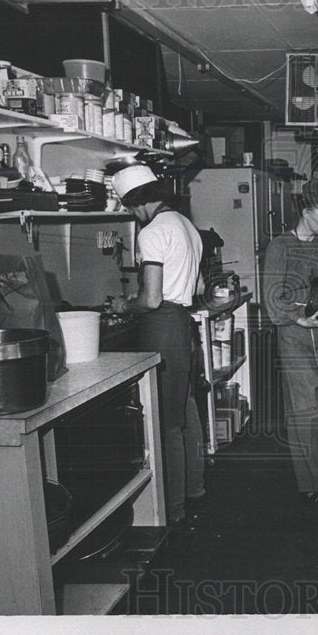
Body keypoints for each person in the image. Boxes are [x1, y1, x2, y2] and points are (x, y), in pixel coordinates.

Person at [110, 164, 206, 528]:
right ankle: (194, 488)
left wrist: (124, 305)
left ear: (135, 205)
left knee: (165, 421)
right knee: (186, 410)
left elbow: (150, 299)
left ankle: (174, 507)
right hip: (183, 325)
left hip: (163, 326)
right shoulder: (186, 226)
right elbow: (195, 289)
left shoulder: (152, 232)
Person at [262, 174, 318, 506]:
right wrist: (296, 317)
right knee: (306, 410)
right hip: (295, 334)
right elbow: (271, 297)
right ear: (307, 211)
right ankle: (314, 485)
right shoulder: (281, 246)